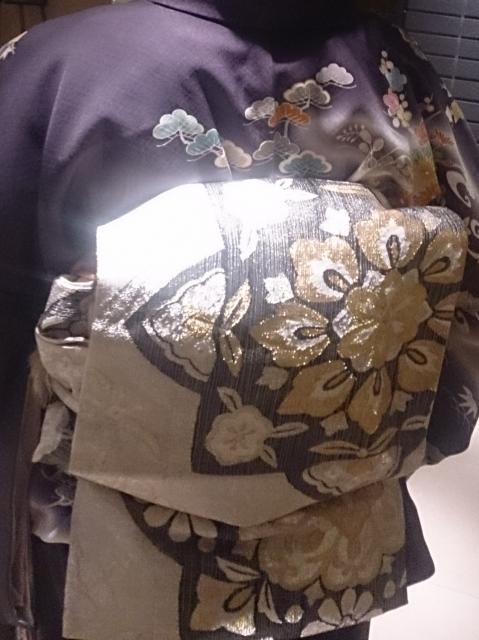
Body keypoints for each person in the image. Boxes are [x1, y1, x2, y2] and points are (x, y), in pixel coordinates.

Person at [0, 1, 478, 639]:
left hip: (105, 536)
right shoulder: (390, 66)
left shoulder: (59, 67)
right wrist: (371, 440)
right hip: (328, 538)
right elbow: (463, 297)